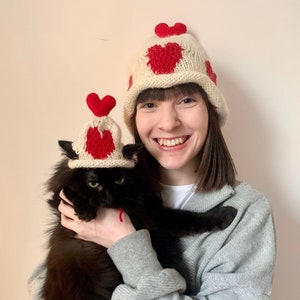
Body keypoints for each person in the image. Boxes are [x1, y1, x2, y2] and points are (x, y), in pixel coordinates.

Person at [28, 22, 276, 299]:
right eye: (150, 105)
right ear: (135, 117)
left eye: (186, 101)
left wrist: (124, 242)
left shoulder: (246, 210)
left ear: (211, 111)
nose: (168, 123)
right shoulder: (96, 188)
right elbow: (52, 286)